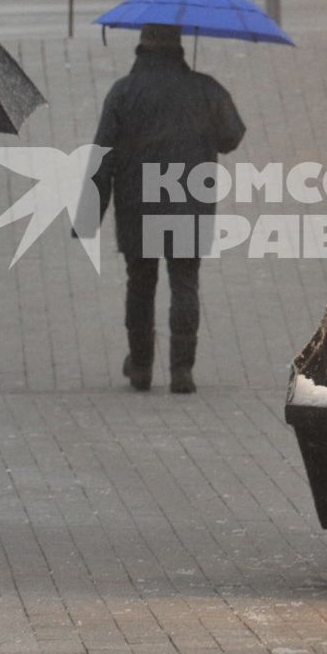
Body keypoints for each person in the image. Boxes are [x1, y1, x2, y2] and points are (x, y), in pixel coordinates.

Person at [90, 23, 246, 394]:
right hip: (188, 201)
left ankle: (141, 367)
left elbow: (102, 156)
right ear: (178, 47)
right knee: (185, 282)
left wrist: (88, 215)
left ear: (141, 48)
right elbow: (232, 137)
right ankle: (181, 371)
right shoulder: (205, 89)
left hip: (137, 204)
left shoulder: (123, 93)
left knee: (140, 284)